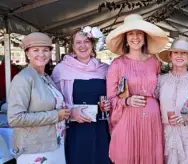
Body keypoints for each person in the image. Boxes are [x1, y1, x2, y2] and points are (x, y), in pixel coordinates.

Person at [106, 14, 168, 164]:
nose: (135, 37)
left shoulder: (154, 61)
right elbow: (111, 98)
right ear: (125, 38)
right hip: (128, 117)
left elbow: (160, 90)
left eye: (139, 33)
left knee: (150, 157)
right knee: (127, 156)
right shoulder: (117, 64)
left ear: (145, 37)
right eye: (131, 33)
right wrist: (127, 101)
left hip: (152, 119)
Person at [7, 32, 71, 164]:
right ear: (27, 54)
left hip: (54, 143)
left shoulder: (46, 77)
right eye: (36, 50)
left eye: (45, 50)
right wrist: (55, 115)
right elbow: (15, 118)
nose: (41, 54)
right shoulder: (23, 79)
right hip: (35, 149)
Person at [51, 26, 111, 164]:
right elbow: (54, 101)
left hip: (100, 129)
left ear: (93, 44)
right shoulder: (61, 70)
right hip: (74, 129)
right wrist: (70, 112)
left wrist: (109, 104)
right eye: (78, 42)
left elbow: (113, 96)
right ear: (72, 46)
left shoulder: (104, 69)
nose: (82, 46)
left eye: (86, 42)